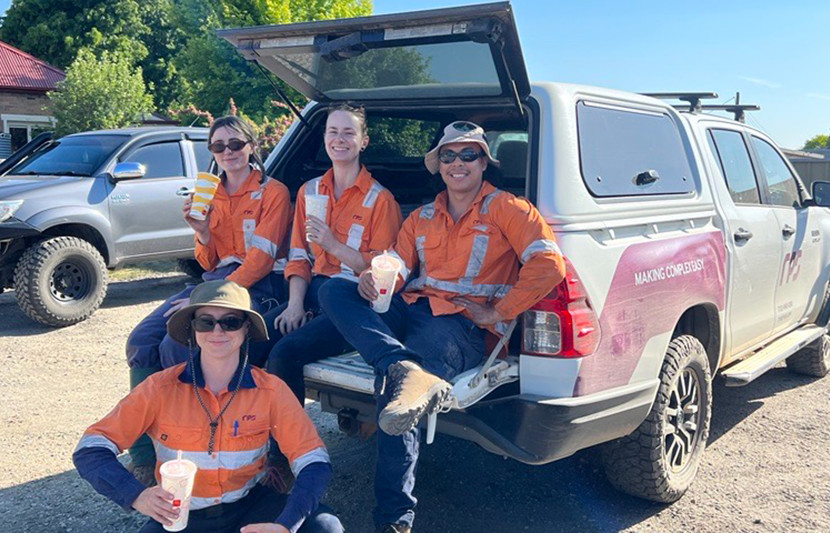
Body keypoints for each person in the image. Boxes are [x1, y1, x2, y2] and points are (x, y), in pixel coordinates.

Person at [317, 121, 567, 533]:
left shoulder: (508, 208)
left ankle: (394, 520)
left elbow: (549, 265)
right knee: (336, 293)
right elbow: (398, 262)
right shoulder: (422, 216)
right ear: (438, 164)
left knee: (393, 396)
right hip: (412, 308)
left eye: (469, 154)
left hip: (463, 325)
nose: (458, 163)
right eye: (448, 155)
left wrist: (499, 311)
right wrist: (379, 277)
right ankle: (400, 364)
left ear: (484, 162)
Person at [74, 280, 344, 533]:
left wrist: (287, 524)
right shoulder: (159, 388)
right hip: (179, 515)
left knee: (325, 526)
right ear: (193, 329)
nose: (218, 331)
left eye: (230, 322)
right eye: (206, 322)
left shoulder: (271, 390)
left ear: (246, 329)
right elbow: (90, 449)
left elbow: (314, 462)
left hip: (249, 506)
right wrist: (135, 495)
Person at [125, 116, 292, 482]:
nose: (228, 152)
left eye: (235, 144)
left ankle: (196, 447)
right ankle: (143, 455)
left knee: (177, 345)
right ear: (212, 152)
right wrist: (201, 233)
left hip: (258, 286)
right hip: (215, 281)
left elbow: (260, 262)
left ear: (252, 146)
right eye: (218, 146)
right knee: (140, 340)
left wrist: (205, 303)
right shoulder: (210, 192)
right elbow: (209, 261)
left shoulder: (273, 192)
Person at [264, 103, 402, 404]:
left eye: (348, 132)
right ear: (324, 138)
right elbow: (299, 258)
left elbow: (381, 274)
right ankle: (246, 438)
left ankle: (288, 449)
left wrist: (333, 245)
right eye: (333, 132)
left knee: (284, 354)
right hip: (311, 293)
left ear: (364, 141)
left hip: (351, 303)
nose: (339, 139)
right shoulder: (308, 192)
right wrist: (294, 306)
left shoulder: (381, 200)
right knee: (250, 341)